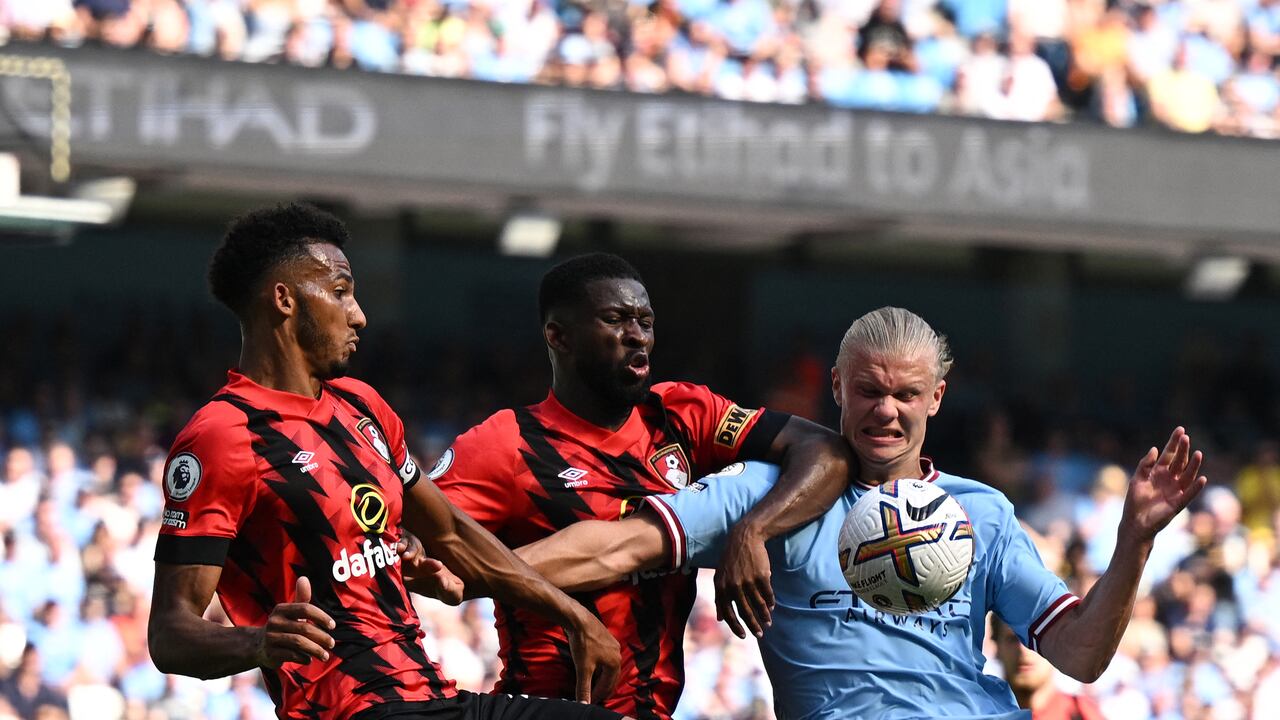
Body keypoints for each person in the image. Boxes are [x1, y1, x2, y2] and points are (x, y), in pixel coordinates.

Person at [516, 306, 1207, 719]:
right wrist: (470, 568)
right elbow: (617, 547)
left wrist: (1136, 541)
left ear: (937, 398)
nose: (887, 410)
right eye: (870, 390)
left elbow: (1081, 655)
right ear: (838, 389)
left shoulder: (984, 513)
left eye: (907, 393)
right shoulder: (761, 491)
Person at [147, 203, 627, 720]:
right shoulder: (223, 436)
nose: (359, 314)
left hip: (434, 696)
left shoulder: (360, 404)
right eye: (340, 291)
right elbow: (170, 633)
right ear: (284, 300)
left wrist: (572, 613)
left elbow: (451, 533)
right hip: (351, 709)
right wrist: (259, 642)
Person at [425, 253, 851, 720]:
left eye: (645, 321)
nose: (637, 336)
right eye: (615, 320)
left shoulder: (685, 415)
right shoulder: (505, 444)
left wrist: (754, 531)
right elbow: (427, 554)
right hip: (547, 707)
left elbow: (824, 451)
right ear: (558, 335)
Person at [993, 618, 1105, 720]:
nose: (1023, 650)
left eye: (1034, 639)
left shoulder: (1082, 714)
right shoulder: (980, 712)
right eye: (1012, 639)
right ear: (997, 647)